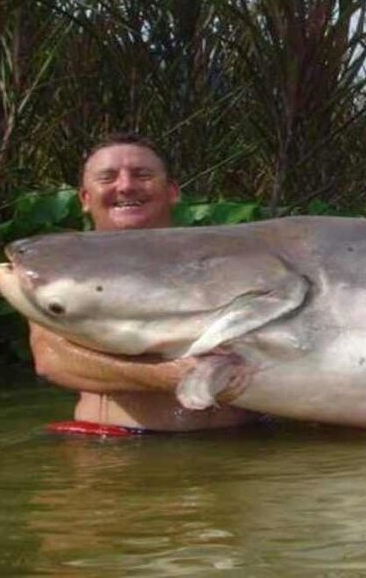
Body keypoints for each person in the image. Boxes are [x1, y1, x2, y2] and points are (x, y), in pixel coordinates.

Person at [29, 134, 258, 435]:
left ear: (172, 191)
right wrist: (174, 376)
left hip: (245, 443)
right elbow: (52, 358)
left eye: (142, 175)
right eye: (107, 177)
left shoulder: (226, 259)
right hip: (120, 452)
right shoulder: (62, 268)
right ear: (85, 198)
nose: (125, 186)